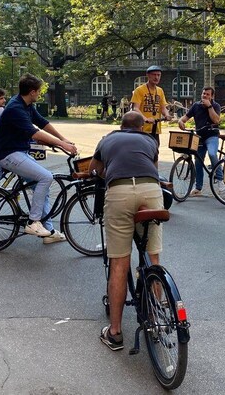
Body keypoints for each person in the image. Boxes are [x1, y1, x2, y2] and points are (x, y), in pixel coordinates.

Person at [89, 111, 164, 350]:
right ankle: (154, 320)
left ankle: (115, 332)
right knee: (153, 257)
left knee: (119, 263)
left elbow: (95, 169)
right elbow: (152, 167)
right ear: (141, 128)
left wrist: (106, 171)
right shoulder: (150, 141)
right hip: (150, 191)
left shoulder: (107, 139)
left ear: (121, 126)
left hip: (119, 192)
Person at [0, 73, 78, 244]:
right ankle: (33, 222)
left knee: (43, 185)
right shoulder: (15, 108)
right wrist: (63, 145)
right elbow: (35, 132)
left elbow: (41, 122)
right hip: (8, 154)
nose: (39, 94)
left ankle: (47, 231)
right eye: (39, 92)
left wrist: (62, 139)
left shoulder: (25, 104)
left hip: (19, 151)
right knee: (45, 177)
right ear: (32, 92)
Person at [178, 86, 223, 196]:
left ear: (212, 96)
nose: (204, 96)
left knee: (212, 154)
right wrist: (180, 121)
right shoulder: (196, 106)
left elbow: (216, 120)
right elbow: (185, 117)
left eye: (207, 94)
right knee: (198, 161)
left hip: (212, 135)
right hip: (199, 137)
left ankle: (220, 180)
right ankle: (198, 187)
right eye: (203, 93)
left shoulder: (215, 106)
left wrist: (209, 107)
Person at [130, 65, 172, 145]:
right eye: (154, 75)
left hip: (155, 128)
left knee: (155, 151)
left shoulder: (160, 91)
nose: (156, 77)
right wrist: (145, 119)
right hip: (142, 129)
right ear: (148, 75)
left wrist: (167, 115)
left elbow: (163, 108)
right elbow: (136, 108)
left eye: (158, 75)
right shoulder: (139, 90)